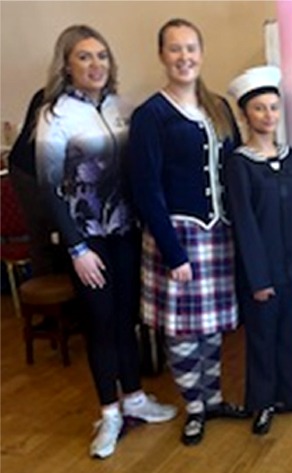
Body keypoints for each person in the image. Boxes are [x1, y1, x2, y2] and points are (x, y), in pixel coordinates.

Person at [35, 25, 177, 460]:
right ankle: (110, 413)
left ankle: (134, 398)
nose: (96, 64)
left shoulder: (123, 108)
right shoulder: (55, 115)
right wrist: (76, 248)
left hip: (126, 234)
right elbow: (48, 187)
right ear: (67, 66)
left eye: (102, 56)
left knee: (126, 319)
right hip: (87, 242)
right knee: (100, 323)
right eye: (84, 57)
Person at [128, 18, 248, 447]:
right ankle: (195, 408)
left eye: (191, 48)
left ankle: (213, 400)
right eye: (175, 49)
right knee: (181, 330)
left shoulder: (219, 107)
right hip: (176, 236)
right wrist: (172, 251)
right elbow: (146, 189)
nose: (184, 57)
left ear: (201, 52)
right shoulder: (151, 115)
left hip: (218, 234)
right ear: (162, 55)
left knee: (212, 328)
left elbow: (234, 169)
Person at [225, 65, 292, 436]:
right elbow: (244, 225)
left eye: (273, 107)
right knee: (262, 338)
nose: (268, 115)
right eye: (259, 108)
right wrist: (258, 279)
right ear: (245, 115)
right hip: (262, 274)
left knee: (290, 333)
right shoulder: (239, 164)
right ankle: (262, 402)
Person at [7, 88, 64, 278]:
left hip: (46, 166)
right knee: (41, 234)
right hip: (28, 170)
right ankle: (47, 288)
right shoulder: (51, 98)